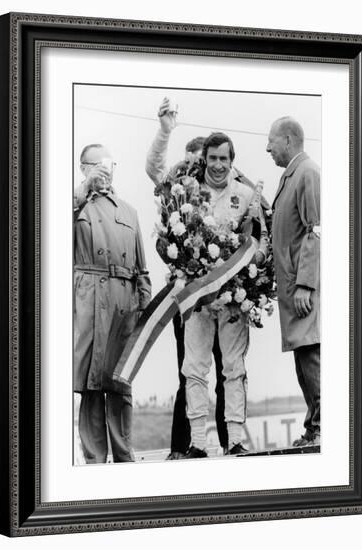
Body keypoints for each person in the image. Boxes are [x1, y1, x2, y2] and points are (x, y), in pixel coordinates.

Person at [145, 98, 228, 458]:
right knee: (188, 370)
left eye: (204, 159)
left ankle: (230, 440)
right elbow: (154, 166)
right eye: (193, 159)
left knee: (227, 370)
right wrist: (165, 131)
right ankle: (183, 446)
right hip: (189, 299)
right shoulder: (177, 188)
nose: (199, 165)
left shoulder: (230, 187)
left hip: (225, 295)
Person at [73, 143, 152, 463]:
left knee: (121, 380)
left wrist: (145, 303)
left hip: (124, 303)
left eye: (109, 165)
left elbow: (142, 268)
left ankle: (124, 455)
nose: (106, 172)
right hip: (90, 300)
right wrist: (84, 187)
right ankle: (93, 458)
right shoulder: (76, 206)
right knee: (92, 381)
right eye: (97, 166)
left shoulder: (129, 212)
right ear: (84, 168)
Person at [266, 116, 320, 447]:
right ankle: (315, 427)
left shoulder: (307, 173)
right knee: (304, 357)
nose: (268, 147)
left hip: (304, 291)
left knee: (311, 354)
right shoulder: (292, 175)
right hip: (293, 288)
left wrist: (305, 284)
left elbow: (317, 231)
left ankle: (324, 429)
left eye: (271, 140)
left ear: (288, 140)